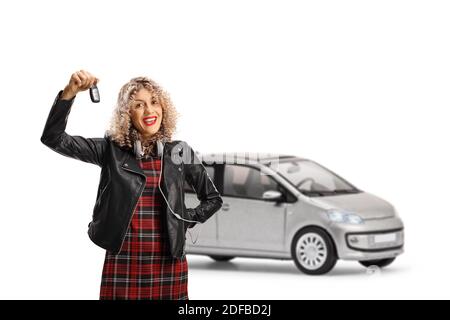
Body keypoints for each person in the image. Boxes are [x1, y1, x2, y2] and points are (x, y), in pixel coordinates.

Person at [40, 70, 223, 300]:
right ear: (127, 114)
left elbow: (213, 199)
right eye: (139, 105)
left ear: (163, 108)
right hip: (124, 260)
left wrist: (186, 218)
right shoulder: (111, 151)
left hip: (168, 262)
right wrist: (69, 93)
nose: (149, 110)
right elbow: (53, 138)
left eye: (154, 102)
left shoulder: (179, 152)